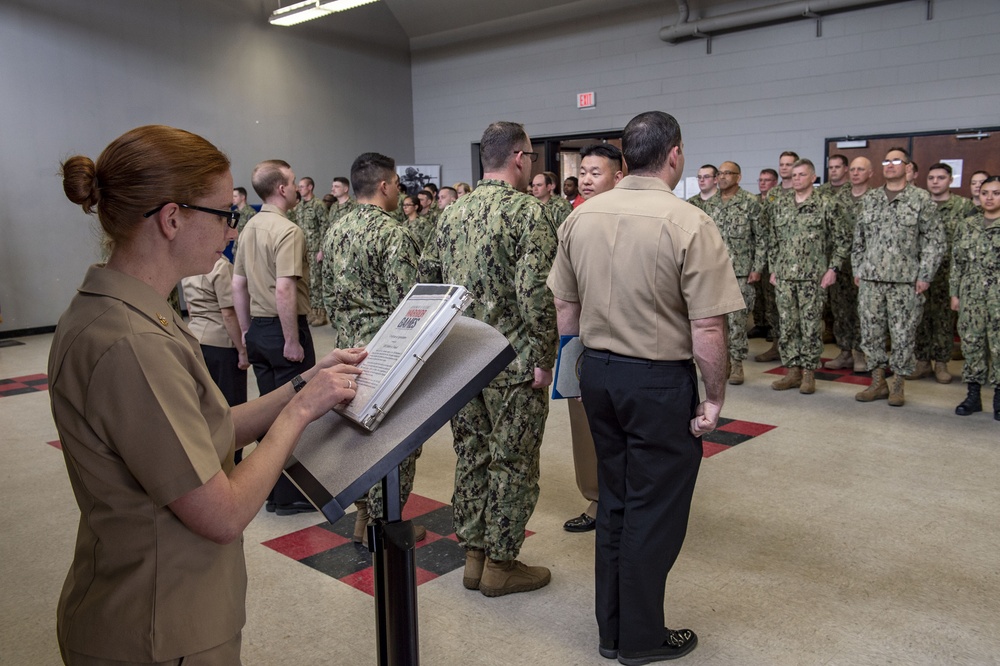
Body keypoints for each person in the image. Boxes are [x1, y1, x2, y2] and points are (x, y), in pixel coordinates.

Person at [51, 124, 363, 664]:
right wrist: (300, 415)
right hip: (160, 624)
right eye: (224, 214)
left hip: (164, 603)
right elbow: (222, 515)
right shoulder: (132, 344)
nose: (231, 229)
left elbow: (211, 426)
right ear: (172, 219)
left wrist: (302, 385)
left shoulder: (130, 310)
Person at [548, 111, 743, 665]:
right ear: (675, 154)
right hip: (656, 380)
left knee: (616, 500)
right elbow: (707, 325)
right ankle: (640, 638)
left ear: (625, 158)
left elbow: (565, 306)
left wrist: (583, 362)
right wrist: (713, 399)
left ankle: (611, 629)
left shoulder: (581, 217)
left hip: (599, 373)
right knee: (654, 508)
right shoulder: (689, 223)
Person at [419, 120, 557, 598]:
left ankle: (474, 555)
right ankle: (501, 563)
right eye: (531, 158)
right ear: (520, 158)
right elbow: (535, 292)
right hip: (512, 363)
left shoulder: (451, 214)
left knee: (473, 456)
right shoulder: (528, 213)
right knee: (513, 462)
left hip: (461, 360)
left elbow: (430, 287)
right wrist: (544, 354)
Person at [322, 152, 426, 543]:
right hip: (386, 356)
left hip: (345, 352)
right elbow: (410, 306)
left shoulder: (335, 230)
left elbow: (326, 295)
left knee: (357, 439)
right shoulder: (394, 234)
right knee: (396, 444)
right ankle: (386, 526)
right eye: (397, 182)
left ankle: (364, 516)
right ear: (384, 185)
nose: (400, 189)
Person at [233, 159, 320, 513]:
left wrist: (245, 332)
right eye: (294, 181)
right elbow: (285, 288)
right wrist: (292, 340)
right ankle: (290, 495)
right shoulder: (288, 230)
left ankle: (271, 489)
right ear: (282, 189)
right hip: (284, 328)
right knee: (294, 412)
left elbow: (238, 285)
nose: (298, 186)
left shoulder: (250, 226)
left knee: (268, 412)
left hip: (257, 326)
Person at [562, 143, 624, 534]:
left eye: (595, 172)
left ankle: (627, 500)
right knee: (585, 427)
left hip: (626, 339)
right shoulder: (571, 218)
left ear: (618, 177)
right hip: (583, 336)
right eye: (583, 171)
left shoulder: (630, 216)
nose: (586, 178)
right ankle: (597, 498)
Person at [852, 147, 945, 406]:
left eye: (896, 161)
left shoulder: (920, 199)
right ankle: (878, 382)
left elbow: (934, 240)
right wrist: (858, 268)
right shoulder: (870, 199)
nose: (890, 165)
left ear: (907, 167)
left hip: (905, 281)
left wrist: (925, 274)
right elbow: (858, 238)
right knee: (871, 333)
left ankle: (898, 385)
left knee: (903, 334)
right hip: (871, 279)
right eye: (886, 160)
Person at [767, 159, 849, 394]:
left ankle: (809, 373)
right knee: (788, 325)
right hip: (784, 276)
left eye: (802, 175)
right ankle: (792, 371)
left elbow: (842, 239)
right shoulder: (781, 204)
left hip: (813, 277)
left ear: (813, 178)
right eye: (794, 175)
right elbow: (774, 239)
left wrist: (833, 268)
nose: (797, 179)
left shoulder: (826, 204)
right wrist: (774, 268)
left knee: (811, 326)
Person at [907, 163, 976, 383]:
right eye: (931, 178)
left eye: (941, 178)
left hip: (948, 272)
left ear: (950, 180)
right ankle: (922, 361)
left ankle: (942, 363)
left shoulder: (963, 206)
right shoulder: (919, 203)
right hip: (920, 271)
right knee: (920, 317)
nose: (935, 182)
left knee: (944, 319)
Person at [181, 252, 250, 460]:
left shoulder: (189, 267)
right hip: (221, 343)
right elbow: (228, 314)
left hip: (197, 340)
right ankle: (232, 461)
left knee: (207, 408)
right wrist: (242, 350)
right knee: (232, 408)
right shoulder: (220, 268)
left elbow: (191, 309)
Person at [706, 161, 765, 386]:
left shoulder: (751, 203)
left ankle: (738, 363)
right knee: (717, 323)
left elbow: (761, 238)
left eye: (727, 173)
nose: (722, 177)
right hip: (714, 274)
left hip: (741, 272)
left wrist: (757, 267)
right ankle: (723, 363)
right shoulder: (710, 205)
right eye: (719, 174)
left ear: (738, 177)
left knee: (738, 321)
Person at [951, 175, 1000, 420]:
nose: (989, 198)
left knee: (999, 346)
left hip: (997, 295)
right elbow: (957, 263)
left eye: (996, 193)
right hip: (971, 294)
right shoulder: (967, 224)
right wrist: (955, 293)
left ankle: (999, 396)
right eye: (985, 193)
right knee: (972, 345)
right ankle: (973, 396)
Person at [825, 156, 873, 372]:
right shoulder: (837, 197)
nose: (855, 173)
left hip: (867, 265)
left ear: (869, 173)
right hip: (840, 264)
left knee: (864, 311)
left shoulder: (875, 198)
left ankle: (861, 353)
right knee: (841, 310)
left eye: (860, 169)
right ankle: (845, 351)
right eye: (852, 169)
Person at [295, 177, 330, 327]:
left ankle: (321, 314)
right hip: (303, 250)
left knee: (317, 282)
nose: (299, 189)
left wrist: (322, 249)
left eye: (302, 186)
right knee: (307, 282)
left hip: (315, 249)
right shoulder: (300, 206)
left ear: (310, 187)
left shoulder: (318, 205)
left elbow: (325, 227)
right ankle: (311, 312)